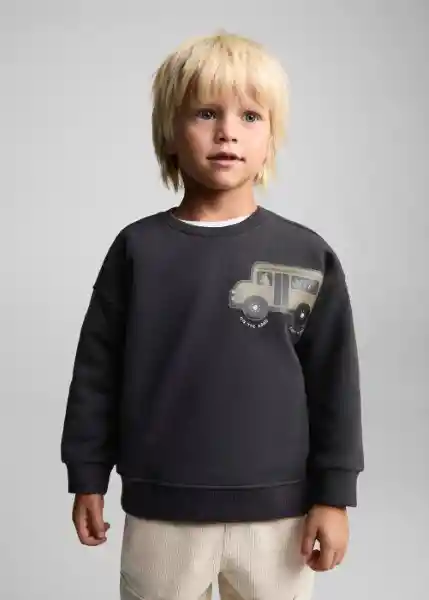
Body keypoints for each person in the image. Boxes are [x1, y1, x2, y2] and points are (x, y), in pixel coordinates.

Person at [60, 31, 364, 600]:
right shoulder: (137, 250)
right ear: (170, 134)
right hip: (162, 514)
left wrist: (334, 496)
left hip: (281, 517)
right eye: (205, 113)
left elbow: (335, 385)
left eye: (250, 116)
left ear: (271, 139)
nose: (228, 131)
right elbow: (96, 373)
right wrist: (87, 475)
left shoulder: (306, 255)